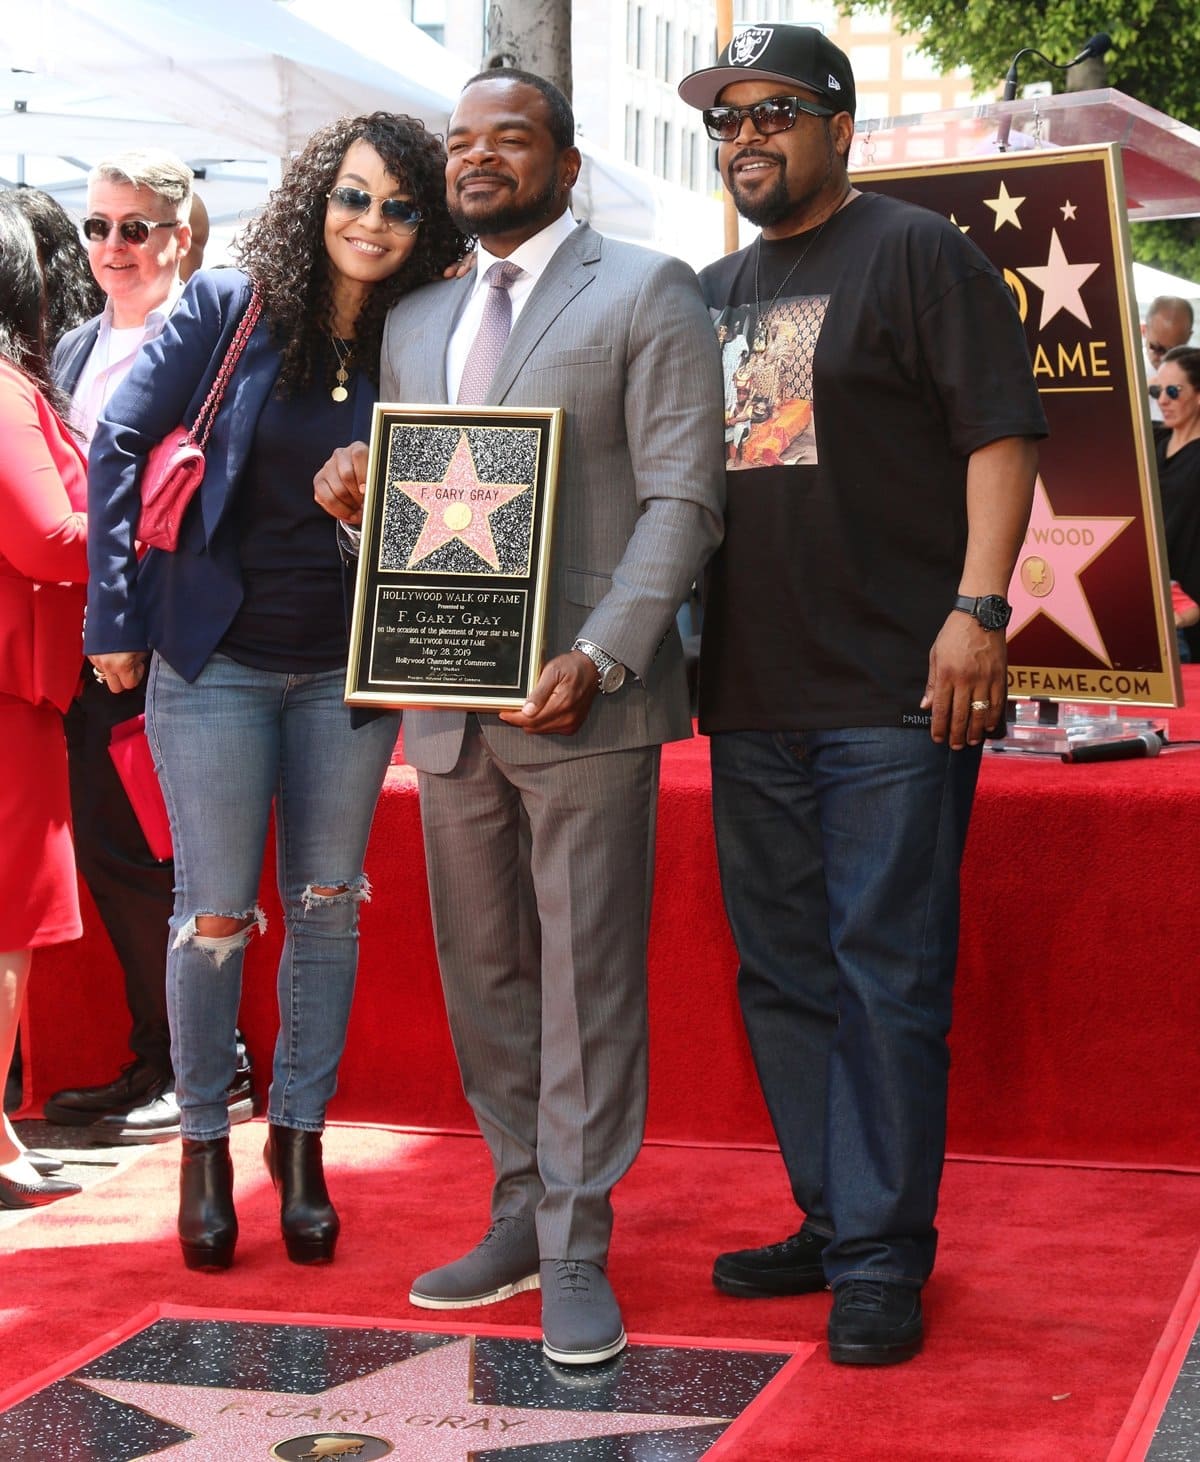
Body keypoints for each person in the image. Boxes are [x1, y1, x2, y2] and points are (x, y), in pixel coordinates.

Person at [314, 69, 726, 1366]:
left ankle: (578, 1239)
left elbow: (684, 500)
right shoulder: (415, 317)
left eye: (512, 137)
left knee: (585, 974)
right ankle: (513, 1203)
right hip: (447, 698)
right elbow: (425, 509)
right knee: (484, 969)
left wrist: (606, 650)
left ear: (567, 158)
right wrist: (353, 504)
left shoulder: (648, 288)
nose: (480, 156)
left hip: (582, 701)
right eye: (463, 140)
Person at [678, 24, 1046, 1365]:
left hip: (899, 685)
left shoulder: (918, 253)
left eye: (775, 112)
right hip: (751, 690)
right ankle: (835, 1222)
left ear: (842, 125)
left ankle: (886, 1256)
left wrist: (977, 609)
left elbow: (998, 435)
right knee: (782, 972)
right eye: (728, 121)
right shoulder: (708, 290)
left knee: (883, 971)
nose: (747, 138)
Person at [84, 112, 465, 1271]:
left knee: (328, 903)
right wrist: (116, 619)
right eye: (354, 196)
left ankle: (298, 1142)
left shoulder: (426, 332)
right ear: (317, 197)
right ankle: (205, 1143)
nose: (373, 223)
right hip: (218, 661)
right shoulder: (229, 307)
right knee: (211, 914)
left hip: (350, 666)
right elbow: (117, 441)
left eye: (401, 207)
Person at [39, 150, 255, 1145]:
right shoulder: (75, 348)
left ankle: (209, 1065)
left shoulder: (202, 343)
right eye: (97, 227)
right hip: (83, 648)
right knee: (118, 855)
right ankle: (156, 1055)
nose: (112, 247)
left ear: (178, 233)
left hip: (165, 644)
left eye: (135, 227)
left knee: (165, 857)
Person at [0, 195, 89, 1208]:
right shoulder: (5, 389)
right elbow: (45, 538)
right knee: (4, 926)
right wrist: (149, 506)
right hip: (9, 698)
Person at [1152, 347, 1200, 661]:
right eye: (1156, 390)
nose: (1162, 400)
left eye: (1173, 391)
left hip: (1191, 607)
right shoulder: (1154, 443)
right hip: (1157, 601)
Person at [1144, 296, 1193, 422]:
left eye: (1173, 351)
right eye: (1157, 348)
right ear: (1143, 331)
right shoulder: (1122, 371)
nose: (1164, 358)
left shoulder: (1194, 374)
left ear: (1188, 337)